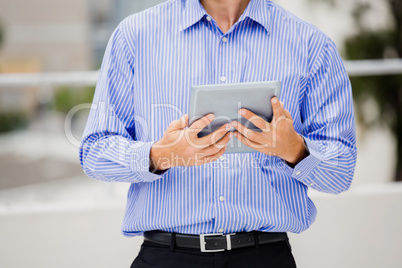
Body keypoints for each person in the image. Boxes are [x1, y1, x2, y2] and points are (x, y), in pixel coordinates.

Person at [79, 0, 357, 267]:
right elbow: (94, 151)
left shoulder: (311, 46)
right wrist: (163, 155)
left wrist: (294, 150)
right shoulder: (134, 37)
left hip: (266, 258)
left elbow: (341, 172)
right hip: (166, 257)